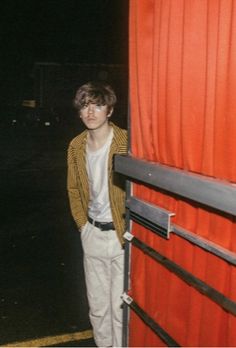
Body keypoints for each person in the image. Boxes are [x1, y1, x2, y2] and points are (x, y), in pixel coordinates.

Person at [67, 81, 128, 347]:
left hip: (120, 235)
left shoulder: (127, 142)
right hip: (92, 233)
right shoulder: (76, 146)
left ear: (110, 110)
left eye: (98, 105)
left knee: (119, 307)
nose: (91, 112)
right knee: (98, 307)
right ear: (79, 112)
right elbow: (73, 188)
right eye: (85, 106)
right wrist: (83, 225)